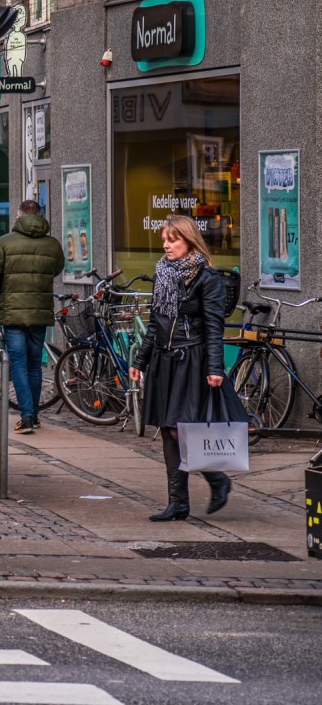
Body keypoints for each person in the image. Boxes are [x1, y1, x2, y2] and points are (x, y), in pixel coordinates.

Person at [129, 215, 233, 521]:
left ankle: (217, 478)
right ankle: (178, 503)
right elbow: (155, 323)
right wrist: (140, 361)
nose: (166, 245)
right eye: (164, 240)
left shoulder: (206, 278)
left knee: (181, 429)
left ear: (189, 241)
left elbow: (214, 326)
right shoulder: (162, 272)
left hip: (192, 359)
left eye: (172, 240)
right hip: (164, 359)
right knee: (167, 429)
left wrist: (215, 366)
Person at [0, 199, 65, 433]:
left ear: (19, 216)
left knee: (17, 362)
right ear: (39, 215)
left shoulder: (5, 243)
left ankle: (26, 416)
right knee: (35, 364)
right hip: (39, 312)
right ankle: (33, 415)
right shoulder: (52, 245)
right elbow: (57, 268)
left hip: (13, 313)